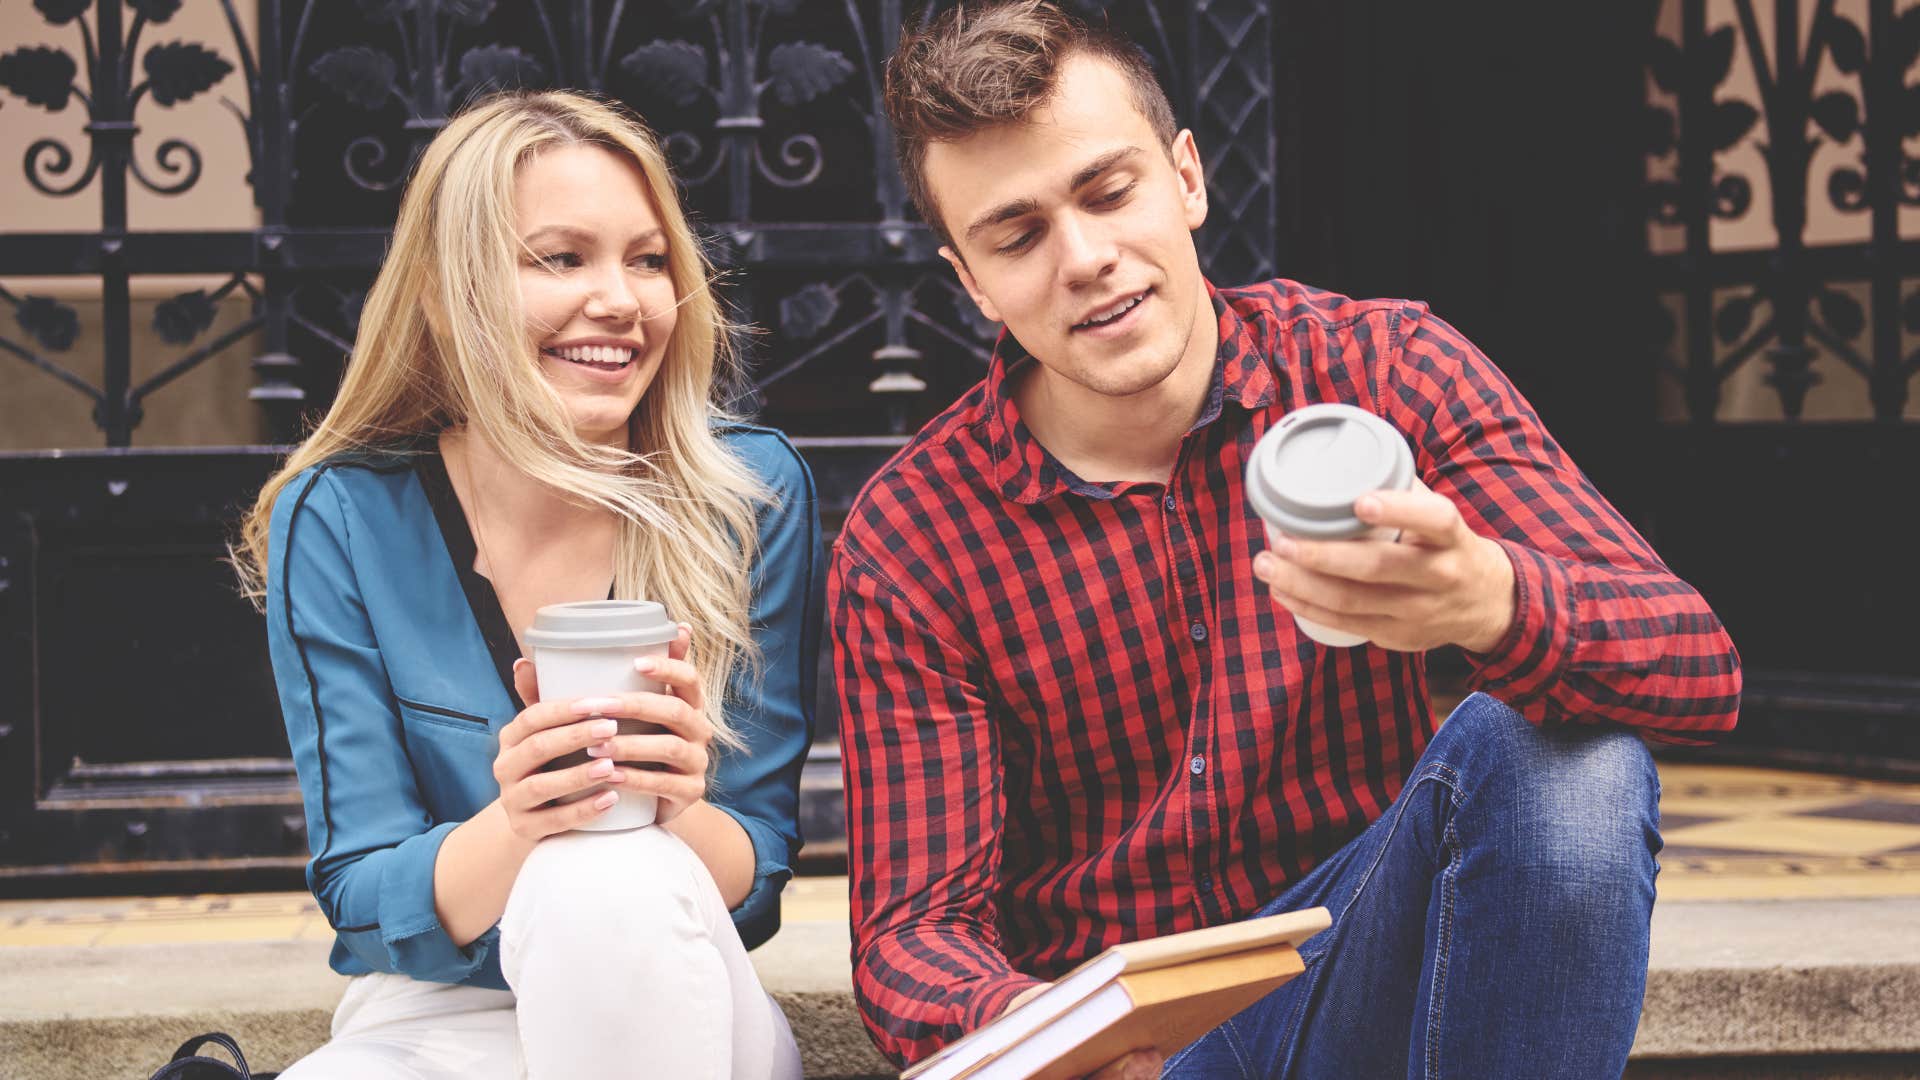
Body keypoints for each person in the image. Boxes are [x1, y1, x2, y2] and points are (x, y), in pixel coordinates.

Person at [831, 4, 1741, 1078]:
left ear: (1187, 178)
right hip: (1140, 1042)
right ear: (971, 280)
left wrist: (1492, 601)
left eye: (1109, 191)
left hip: (1370, 963)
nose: (1085, 258)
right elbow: (913, 935)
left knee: (1568, 754)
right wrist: (1069, 1037)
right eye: (1018, 235)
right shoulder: (913, 536)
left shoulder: (1384, 369)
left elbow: (1696, 667)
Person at [234, 90, 818, 1079]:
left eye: (647, 258)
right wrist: (520, 821)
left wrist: (670, 805)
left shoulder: (746, 496)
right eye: (562, 257)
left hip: (677, 995)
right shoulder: (340, 518)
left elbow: (753, 883)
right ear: (446, 289)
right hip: (433, 1018)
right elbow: (363, 895)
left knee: (608, 875)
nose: (624, 300)